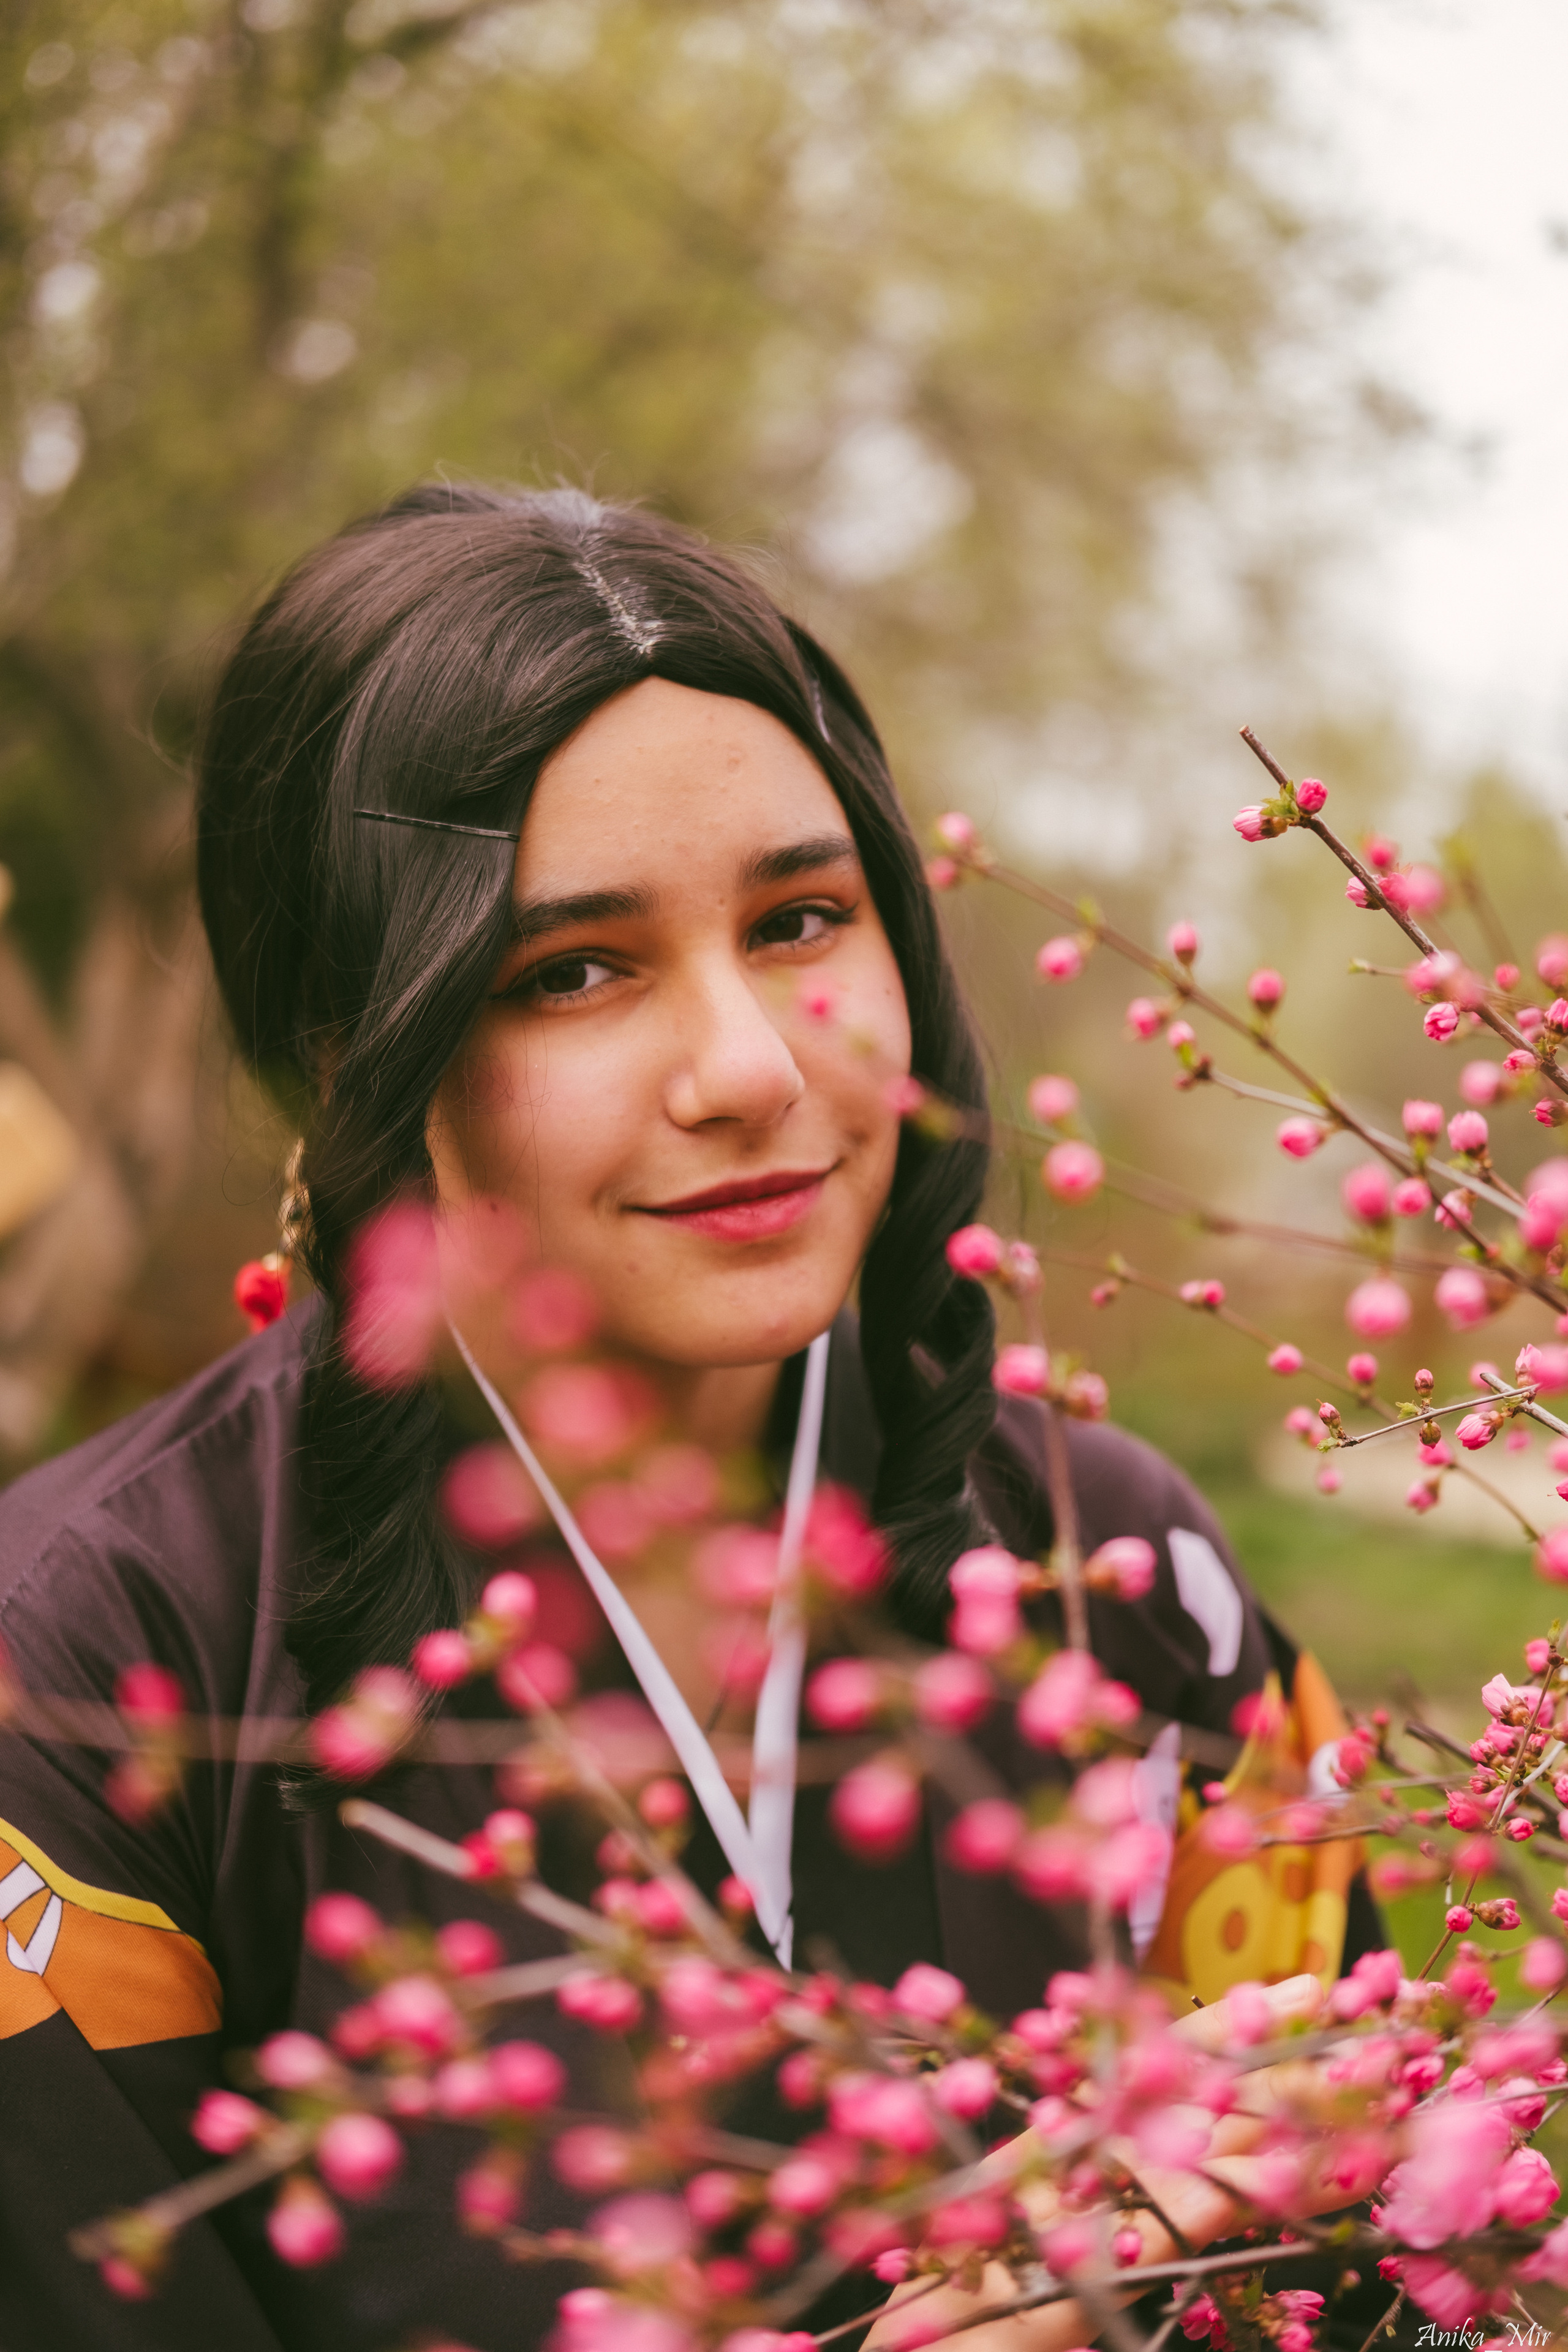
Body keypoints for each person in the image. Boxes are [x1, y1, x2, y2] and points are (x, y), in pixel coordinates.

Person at [0, 487, 1379, 2352]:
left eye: (804, 920)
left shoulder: (1120, 1584)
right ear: (356, 1051)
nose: (750, 1068)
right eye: (573, 969)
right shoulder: (78, 1696)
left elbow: (1412, 2278)